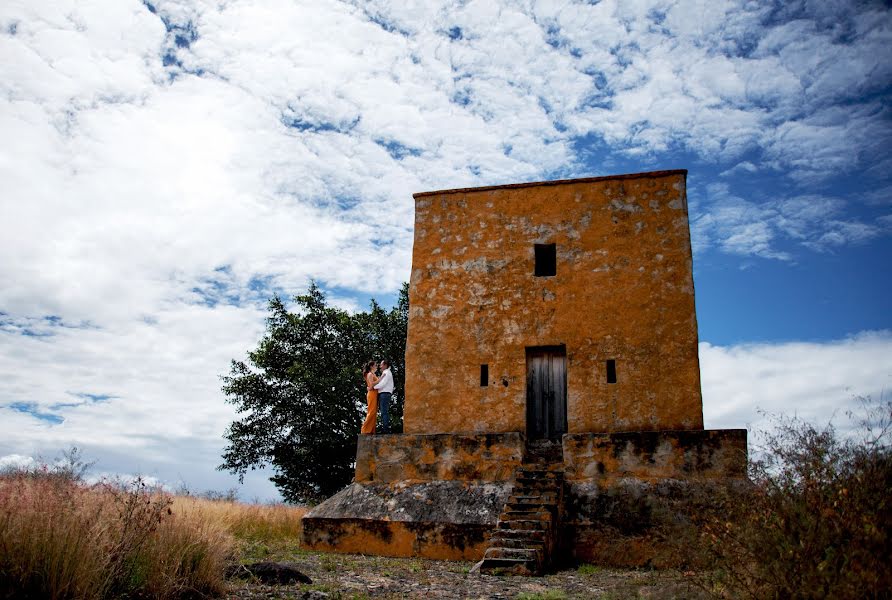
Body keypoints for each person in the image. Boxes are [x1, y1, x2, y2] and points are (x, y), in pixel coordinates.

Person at [373, 359, 394, 434]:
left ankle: (386, 429)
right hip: (385, 394)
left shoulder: (386, 372)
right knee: (384, 411)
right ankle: (385, 428)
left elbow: (383, 384)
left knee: (384, 412)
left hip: (384, 394)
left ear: (385, 365)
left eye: (381, 365)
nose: (380, 366)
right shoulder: (387, 372)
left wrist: (373, 387)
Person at [360, 360, 379, 435]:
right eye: (375, 365)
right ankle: (365, 430)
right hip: (372, 394)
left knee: (374, 412)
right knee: (371, 411)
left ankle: (371, 430)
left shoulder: (373, 374)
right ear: (371, 366)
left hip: (375, 394)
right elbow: (371, 386)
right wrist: (380, 379)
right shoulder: (370, 374)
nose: (376, 367)